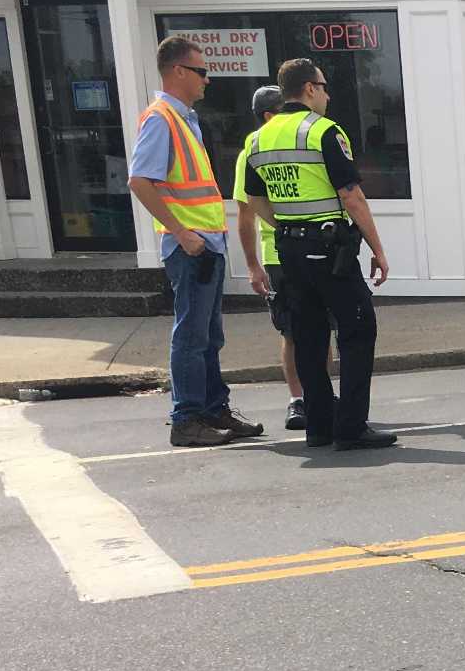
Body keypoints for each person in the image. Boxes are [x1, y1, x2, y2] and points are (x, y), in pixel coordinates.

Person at [243, 57, 394, 452]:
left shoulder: (259, 138)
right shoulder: (323, 131)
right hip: (330, 250)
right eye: (324, 87)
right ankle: (351, 428)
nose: (327, 94)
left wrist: (286, 228)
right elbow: (352, 196)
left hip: (289, 252)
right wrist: (377, 249)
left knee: (308, 338)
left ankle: (320, 426)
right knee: (357, 331)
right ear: (309, 88)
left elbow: (254, 198)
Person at [127, 35, 265, 449]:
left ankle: (212, 409)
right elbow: (139, 181)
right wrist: (182, 232)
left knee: (208, 335)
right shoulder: (161, 118)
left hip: (205, 245)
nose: (208, 80)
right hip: (191, 246)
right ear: (178, 72)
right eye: (202, 72)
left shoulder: (185, 119)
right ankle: (186, 419)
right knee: (191, 335)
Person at [234, 84, 310, 431]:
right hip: (278, 255)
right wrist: (253, 265)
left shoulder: (304, 141)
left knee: (320, 327)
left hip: (311, 249)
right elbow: (245, 214)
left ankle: (320, 394)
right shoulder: (253, 148)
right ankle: (298, 400)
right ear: (268, 116)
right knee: (293, 332)